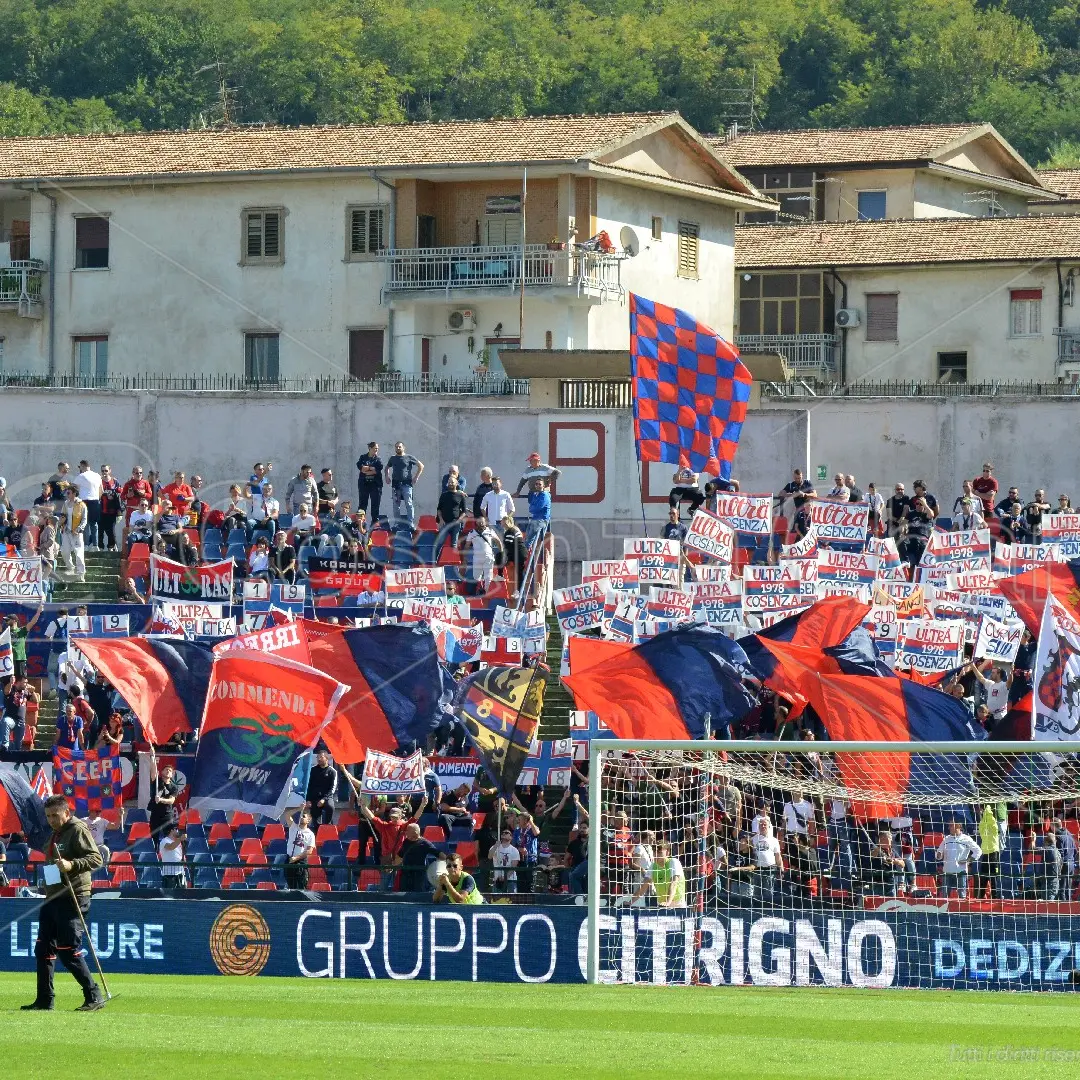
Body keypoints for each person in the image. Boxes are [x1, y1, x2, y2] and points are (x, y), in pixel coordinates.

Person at [21, 794, 105, 1012]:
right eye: (48, 816)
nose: (51, 819)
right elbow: (52, 865)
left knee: (67, 949)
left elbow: (96, 859)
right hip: (53, 897)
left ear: (67, 813)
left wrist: (71, 864)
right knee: (43, 948)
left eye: (55, 815)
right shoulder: (54, 834)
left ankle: (94, 995)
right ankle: (44, 1000)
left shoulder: (77, 830)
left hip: (73, 895)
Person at [632, 838, 685, 907]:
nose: (656, 855)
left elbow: (673, 884)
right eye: (654, 852)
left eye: (659, 852)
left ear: (667, 852)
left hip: (677, 904)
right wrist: (630, 902)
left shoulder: (674, 862)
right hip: (661, 904)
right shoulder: (653, 866)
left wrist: (668, 902)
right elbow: (643, 886)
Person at [936, 819, 982, 899]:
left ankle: (961, 911)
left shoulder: (966, 839)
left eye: (951, 825)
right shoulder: (946, 839)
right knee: (944, 897)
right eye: (949, 825)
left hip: (961, 871)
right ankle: (944, 911)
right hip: (947, 871)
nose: (948, 828)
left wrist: (969, 860)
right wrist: (939, 854)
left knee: (962, 896)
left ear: (958, 826)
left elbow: (978, 851)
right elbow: (938, 854)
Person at [385, 441, 424, 527]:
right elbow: (387, 467)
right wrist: (387, 476)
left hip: (406, 484)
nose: (398, 448)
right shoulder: (392, 458)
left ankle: (410, 523)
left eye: (399, 447)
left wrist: (416, 477)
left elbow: (421, 466)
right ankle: (397, 523)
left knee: (409, 504)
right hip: (395, 485)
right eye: (396, 447)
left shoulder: (409, 457)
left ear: (403, 448)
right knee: (396, 505)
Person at [397, 822, 440, 891]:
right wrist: (392, 866)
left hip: (419, 875)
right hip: (406, 875)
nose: (406, 833)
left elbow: (439, 854)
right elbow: (399, 856)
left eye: (408, 831)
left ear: (415, 832)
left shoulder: (425, 843)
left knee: (418, 895)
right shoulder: (405, 842)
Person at [6, 600, 44, 679]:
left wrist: (38, 612)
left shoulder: (22, 631)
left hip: (20, 659)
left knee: (21, 679)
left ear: (14, 620)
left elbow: (32, 622)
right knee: (9, 680)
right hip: (8, 659)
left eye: (8, 620)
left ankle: (22, 691)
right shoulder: (5, 632)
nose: (6, 622)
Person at [750, 816, 784, 902]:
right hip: (757, 870)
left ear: (769, 826)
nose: (763, 826)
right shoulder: (753, 840)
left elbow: (778, 856)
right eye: (761, 824)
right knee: (756, 894)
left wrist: (781, 869)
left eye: (765, 824)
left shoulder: (774, 840)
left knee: (768, 894)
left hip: (770, 870)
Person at [464, 516, 502, 590]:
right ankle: (480, 589)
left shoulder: (490, 531)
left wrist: (501, 552)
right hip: (477, 558)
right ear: (476, 523)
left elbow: (498, 541)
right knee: (476, 577)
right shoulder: (472, 533)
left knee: (488, 577)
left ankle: (486, 593)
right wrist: (465, 557)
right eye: (479, 522)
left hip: (488, 557)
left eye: (482, 522)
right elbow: (467, 545)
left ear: (485, 522)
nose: (481, 523)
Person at [73, 460, 103, 550]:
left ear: (82, 466)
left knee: (85, 523)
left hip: (84, 501)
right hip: (95, 500)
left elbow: (74, 488)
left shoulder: (81, 476)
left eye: (80, 467)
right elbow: (101, 490)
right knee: (94, 524)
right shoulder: (97, 475)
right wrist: (97, 498)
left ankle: (86, 545)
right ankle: (95, 545)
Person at [283, 806, 315, 889]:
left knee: (301, 886)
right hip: (289, 860)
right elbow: (287, 814)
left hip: (301, 862)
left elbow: (309, 851)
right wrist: (299, 809)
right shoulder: (293, 826)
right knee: (291, 886)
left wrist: (296, 858)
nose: (301, 817)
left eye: (303, 816)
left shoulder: (310, 834)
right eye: (300, 815)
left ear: (308, 820)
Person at [435, 476, 467, 560]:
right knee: (439, 543)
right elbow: (439, 509)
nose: (450, 483)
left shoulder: (461, 495)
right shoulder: (443, 495)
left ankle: (453, 564)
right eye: (449, 482)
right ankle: (434, 562)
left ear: (456, 484)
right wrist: (441, 520)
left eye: (452, 482)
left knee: (454, 545)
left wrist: (459, 520)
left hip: (456, 524)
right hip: (445, 524)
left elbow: (464, 511)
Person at [59, 487, 87, 582]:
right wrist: (61, 525)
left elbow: (84, 520)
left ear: (74, 493)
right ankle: (70, 567)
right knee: (64, 551)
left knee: (79, 554)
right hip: (66, 531)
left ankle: (80, 574)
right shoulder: (66, 504)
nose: (67, 495)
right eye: (67, 493)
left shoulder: (82, 505)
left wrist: (78, 529)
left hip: (76, 533)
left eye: (69, 493)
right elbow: (62, 515)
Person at [148, 754, 179, 838]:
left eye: (170, 770)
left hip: (167, 814)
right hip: (155, 813)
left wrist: (161, 800)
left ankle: (167, 851)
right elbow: (153, 770)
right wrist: (152, 756)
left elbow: (172, 800)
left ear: (172, 774)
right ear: (162, 772)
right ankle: (155, 850)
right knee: (154, 836)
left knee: (169, 836)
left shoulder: (174, 787)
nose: (168, 771)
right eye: (166, 769)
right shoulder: (157, 781)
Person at [305, 748, 338, 827]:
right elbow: (308, 786)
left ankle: (328, 825)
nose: (319, 759)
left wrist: (324, 799)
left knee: (330, 806)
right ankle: (317, 832)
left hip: (326, 797)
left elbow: (332, 788)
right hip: (315, 797)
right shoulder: (312, 770)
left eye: (321, 757)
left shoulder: (332, 771)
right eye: (318, 757)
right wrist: (308, 800)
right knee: (315, 820)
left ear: (326, 758)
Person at [489, 828, 521, 893]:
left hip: (510, 880)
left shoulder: (514, 850)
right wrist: (495, 846)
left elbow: (513, 866)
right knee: (496, 900)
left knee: (511, 900)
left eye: (506, 833)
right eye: (503, 833)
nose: (504, 833)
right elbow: (489, 856)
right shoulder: (495, 847)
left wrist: (505, 877)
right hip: (497, 879)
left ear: (511, 837)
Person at [526, 476, 551, 546]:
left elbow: (536, 508)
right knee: (527, 537)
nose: (537, 485)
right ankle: (527, 554)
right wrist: (532, 508)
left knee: (529, 540)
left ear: (543, 486)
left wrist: (532, 508)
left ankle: (523, 555)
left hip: (542, 520)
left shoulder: (544, 496)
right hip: (535, 518)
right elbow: (531, 507)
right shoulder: (536, 494)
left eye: (540, 484)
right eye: (536, 484)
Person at [159, 824, 186, 889]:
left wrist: (183, 859)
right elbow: (171, 847)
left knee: (182, 895)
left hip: (180, 872)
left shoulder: (177, 842)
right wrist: (180, 839)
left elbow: (178, 854)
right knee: (169, 896)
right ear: (171, 830)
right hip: (169, 874)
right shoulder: (164, 841)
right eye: (176, 829)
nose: (178, 831)